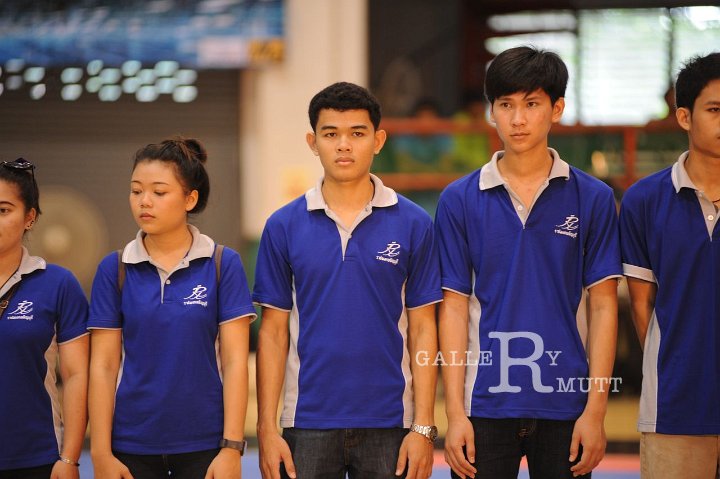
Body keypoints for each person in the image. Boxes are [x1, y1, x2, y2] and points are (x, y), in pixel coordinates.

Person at [435, 46, 621, 479]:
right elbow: (454, 307)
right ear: (491, 112)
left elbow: (603, 305)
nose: (518, 119)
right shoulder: (458, 199)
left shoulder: (592, 198)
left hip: (567, 402)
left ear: (557, 109)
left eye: (532, 104)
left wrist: (596, 412)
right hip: (484, 403)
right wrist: (455, 413)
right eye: (506, 105)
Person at [254, 81, 442, 479]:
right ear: (312, 142)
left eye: (357, 133)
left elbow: (424, 328)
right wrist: (267, 429)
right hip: (306, 420)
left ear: (378, 140)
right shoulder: (282, 226)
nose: (343, 145)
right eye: (330, 134)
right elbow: (272, 333)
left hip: (391, 420)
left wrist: (423, 427)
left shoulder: (415, 223)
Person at [88, 138, 256, 478]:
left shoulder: (222, 263)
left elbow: (235, 362)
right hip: (131, 445)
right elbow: (103, 366)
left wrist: (231, 447)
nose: (144, 201)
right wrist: (100, 452)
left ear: (189, 199)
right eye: (136, 191)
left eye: (159, 192)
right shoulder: (115, 268)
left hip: (205, 444)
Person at [619, 52, 720, 479]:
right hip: (674, 407)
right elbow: (641, 306)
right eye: (715, 110)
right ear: (684, 117)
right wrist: (676, 363)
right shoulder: (644, 200)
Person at [0, 158, 89, 479]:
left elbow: (77, 375)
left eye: (3, 210)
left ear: (30, 217)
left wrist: (70, 459)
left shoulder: (58, 284)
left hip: (36, 458)